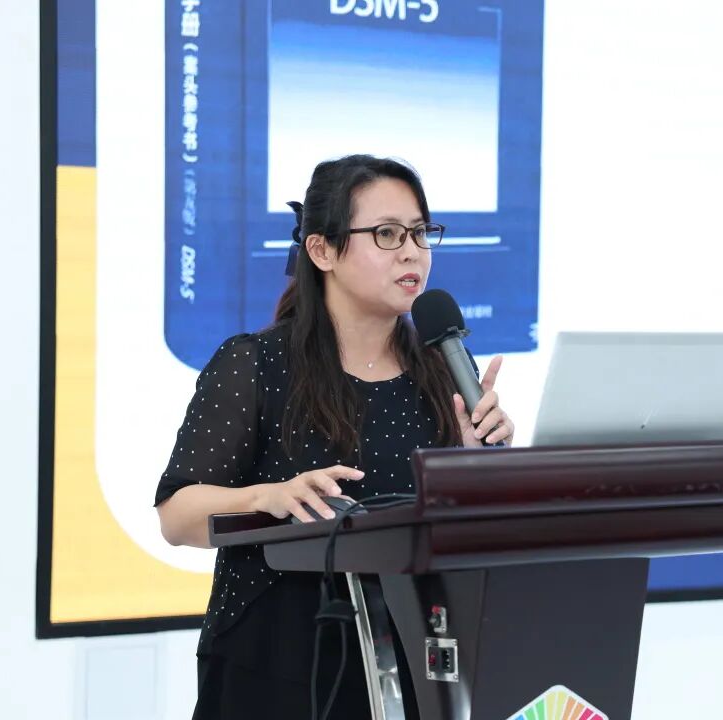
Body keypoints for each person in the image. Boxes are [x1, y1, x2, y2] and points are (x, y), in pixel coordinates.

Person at [154, 155, 514, 719]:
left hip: (414, 660)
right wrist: (269, 497)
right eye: (387, 234)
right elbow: (177, 517)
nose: (413, 252)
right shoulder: (256, 364)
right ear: (322, 251)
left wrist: (475, 466)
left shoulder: (445, 368)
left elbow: (461, 533)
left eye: (421, 232)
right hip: (278, 662)